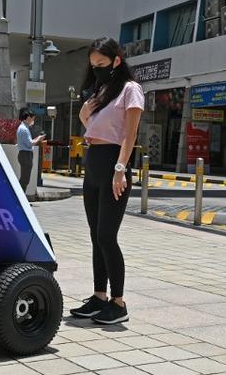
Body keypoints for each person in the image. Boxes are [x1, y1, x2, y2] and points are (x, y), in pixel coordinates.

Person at [68, 37, 143, 325]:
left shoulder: (130, 90)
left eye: (102, 64)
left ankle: (118, 302)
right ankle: (99, 296)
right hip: (94, 161)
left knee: (106, 236)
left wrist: (120, 169)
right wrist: (88, 109)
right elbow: (92, 125)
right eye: (93, 65)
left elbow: (129, 134)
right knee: (94, 235)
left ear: (116, 61)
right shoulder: (102, 91)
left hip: (114, 163)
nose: (97, 69)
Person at [16, 108, 45, 194]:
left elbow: (29, 141)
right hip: (25, 154)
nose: (33, 121)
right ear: (28, 117)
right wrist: (39, 138)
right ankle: (20, 197)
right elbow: (30, 143)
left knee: (25, 178)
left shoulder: (24, 128)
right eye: (33, 119)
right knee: (25, 178)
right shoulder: (24, 129)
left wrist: (37, 138)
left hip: (26, 154)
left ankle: (21, 197)